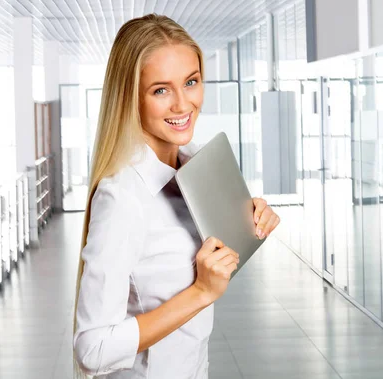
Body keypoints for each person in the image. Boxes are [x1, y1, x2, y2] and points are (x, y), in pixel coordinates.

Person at [73, 14, 280, 379]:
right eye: (161, 90)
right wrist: (202, 291)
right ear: (130, 97)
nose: (183, 105)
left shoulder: (197, 162)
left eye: (191, 82)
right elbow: (93, 348)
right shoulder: (123, 197)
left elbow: (213, 258)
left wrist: (250, 222)